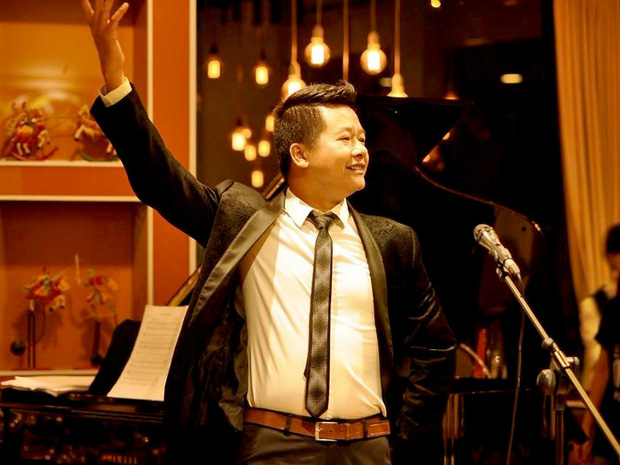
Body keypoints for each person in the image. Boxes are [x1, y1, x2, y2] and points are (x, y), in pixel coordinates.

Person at [81, 1, 457, 464]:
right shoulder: (245, 223)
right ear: (299, 154)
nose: (362, 150)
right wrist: (115, 79)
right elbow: (161, 181)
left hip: (370, 449)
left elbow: (436, 347)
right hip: (271, 446)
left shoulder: (393, 242)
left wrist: (405, 439)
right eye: (345, 139)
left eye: (362, 139)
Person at [572, 225, 620, 465]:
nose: (615, 275)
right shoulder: (614, 306)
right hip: (613, 421)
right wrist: (587, 426)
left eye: (615, 267)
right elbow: (601, 369)